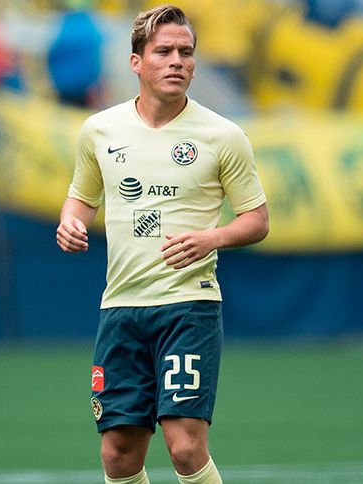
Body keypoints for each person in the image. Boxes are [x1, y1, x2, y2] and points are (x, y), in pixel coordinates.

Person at [56, 5, 269, 484]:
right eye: (164, 51)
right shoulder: (100, 130)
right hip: (121, 308)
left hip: (188, 307)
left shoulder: (223, 136)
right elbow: (81, 199)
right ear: (136, 62)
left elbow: (257, 221)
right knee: (118, 453)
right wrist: (70, 223)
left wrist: (211, 238)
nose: (177, 61)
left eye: (186, 52)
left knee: (185, 447)